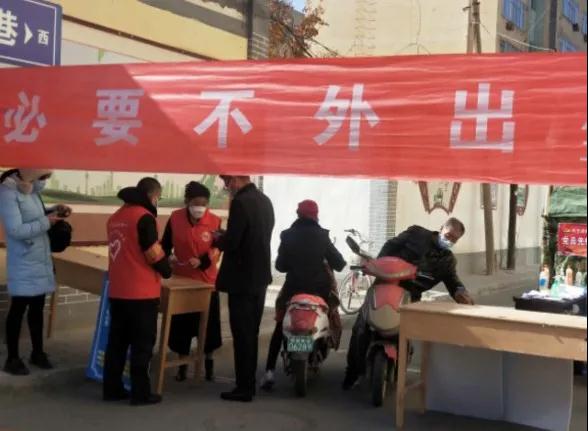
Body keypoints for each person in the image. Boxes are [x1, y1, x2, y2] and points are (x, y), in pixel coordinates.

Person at [342, 218, 474, 390]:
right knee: (361, 327)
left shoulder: (447, 261)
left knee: (405, 332)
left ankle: (402, 364)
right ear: (441, 228)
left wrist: (460, 292)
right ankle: (352, 372)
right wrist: (379, 265)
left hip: (410, 295)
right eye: (448, 235)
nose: (449, 241)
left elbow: (453, 281)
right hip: (384, 284)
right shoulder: (416, 234)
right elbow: (390, 245)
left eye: (454, 240)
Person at [260, 200, 346, 391]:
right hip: (319, 291)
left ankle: (270, 371)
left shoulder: (287, 235)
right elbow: (339, 264)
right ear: (316, 215)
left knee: (280, 325)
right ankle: (326, 343)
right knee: (331, 316)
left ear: (298, 214)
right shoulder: (323, 236)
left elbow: (280, 266)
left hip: (293, 290)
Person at [103, 177, 171, 406]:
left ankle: (112, 388)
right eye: (158, 198)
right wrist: (167, 268)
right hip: (141, 292)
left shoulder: (115, 217)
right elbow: (152, 251)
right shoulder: (144, 217)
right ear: (152, 196)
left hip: (118, 290)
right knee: (142, 345)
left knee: (117, 343)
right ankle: (140, 393)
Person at [0, 169, 71, 375]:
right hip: (23, 260)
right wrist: (48, 222)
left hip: (39, 259)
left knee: (37, 309)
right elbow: (16, 230)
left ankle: (37, 352)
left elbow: (36, 216)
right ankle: (12, 358)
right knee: (18, 309)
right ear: (29, 172)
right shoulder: (8, 193)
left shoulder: (31, 191)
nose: (45, 179)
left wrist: (54, 211)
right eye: (43, 175)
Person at [215, 175, 274, 403]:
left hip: (242, 279)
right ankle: (248, 383)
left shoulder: (240, 202)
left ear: (237, 180)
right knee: (252, 333)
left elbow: (234, 242)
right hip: (260, 277)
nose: (227, 187)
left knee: (242, 335)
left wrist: (218, 239)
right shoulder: (265, 200)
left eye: (228, 181)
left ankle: (244, 387)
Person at [161, 181, 222, 382]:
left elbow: (218, 247)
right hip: (182, 281)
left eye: (203, 204)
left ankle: (209, 366)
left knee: (209, 329)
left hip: (206, 282)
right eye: (196, 203)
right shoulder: (175, 218)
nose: (199, 208)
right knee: (182, 329)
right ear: (187, 201)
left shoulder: (215, 221)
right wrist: (167, 257)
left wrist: (203, 260)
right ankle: (182, 367)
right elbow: (165, 245)